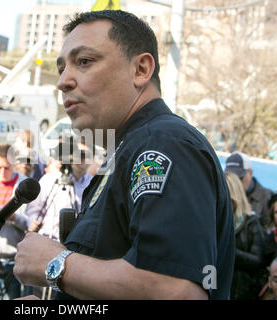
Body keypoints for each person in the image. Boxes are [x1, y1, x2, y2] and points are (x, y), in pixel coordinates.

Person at [13, 10, 234, 300]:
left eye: (84, 61)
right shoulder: (126, 149)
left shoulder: (161, 143)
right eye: (61, 69)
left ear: (141, 69)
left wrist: (57, 264)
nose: (63, 81)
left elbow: (177, 291)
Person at [25, 139, 93, 299]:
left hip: (70, 254)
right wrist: (32, 223)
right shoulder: (50, 179)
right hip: (44, 248)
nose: (81, 159)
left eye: (85, 155)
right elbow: (34, 209)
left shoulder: (92, 182)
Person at [0, 143, 29, 299]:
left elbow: (32, 224)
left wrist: (14, 217)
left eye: (7, 167)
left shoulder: (24, 186)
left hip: (13, 257)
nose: (2, 172)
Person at [225, 172, 266, 300]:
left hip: (242, 291)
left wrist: (231, 252)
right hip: (218, 287)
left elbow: (258, 260)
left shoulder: (251, 223)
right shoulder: (214, 222)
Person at [225, 151, 273, 230]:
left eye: (240, 177)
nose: (236, 182)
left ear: (250, 173)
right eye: (231, 178)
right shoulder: (223, 196)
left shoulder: (268, 198)